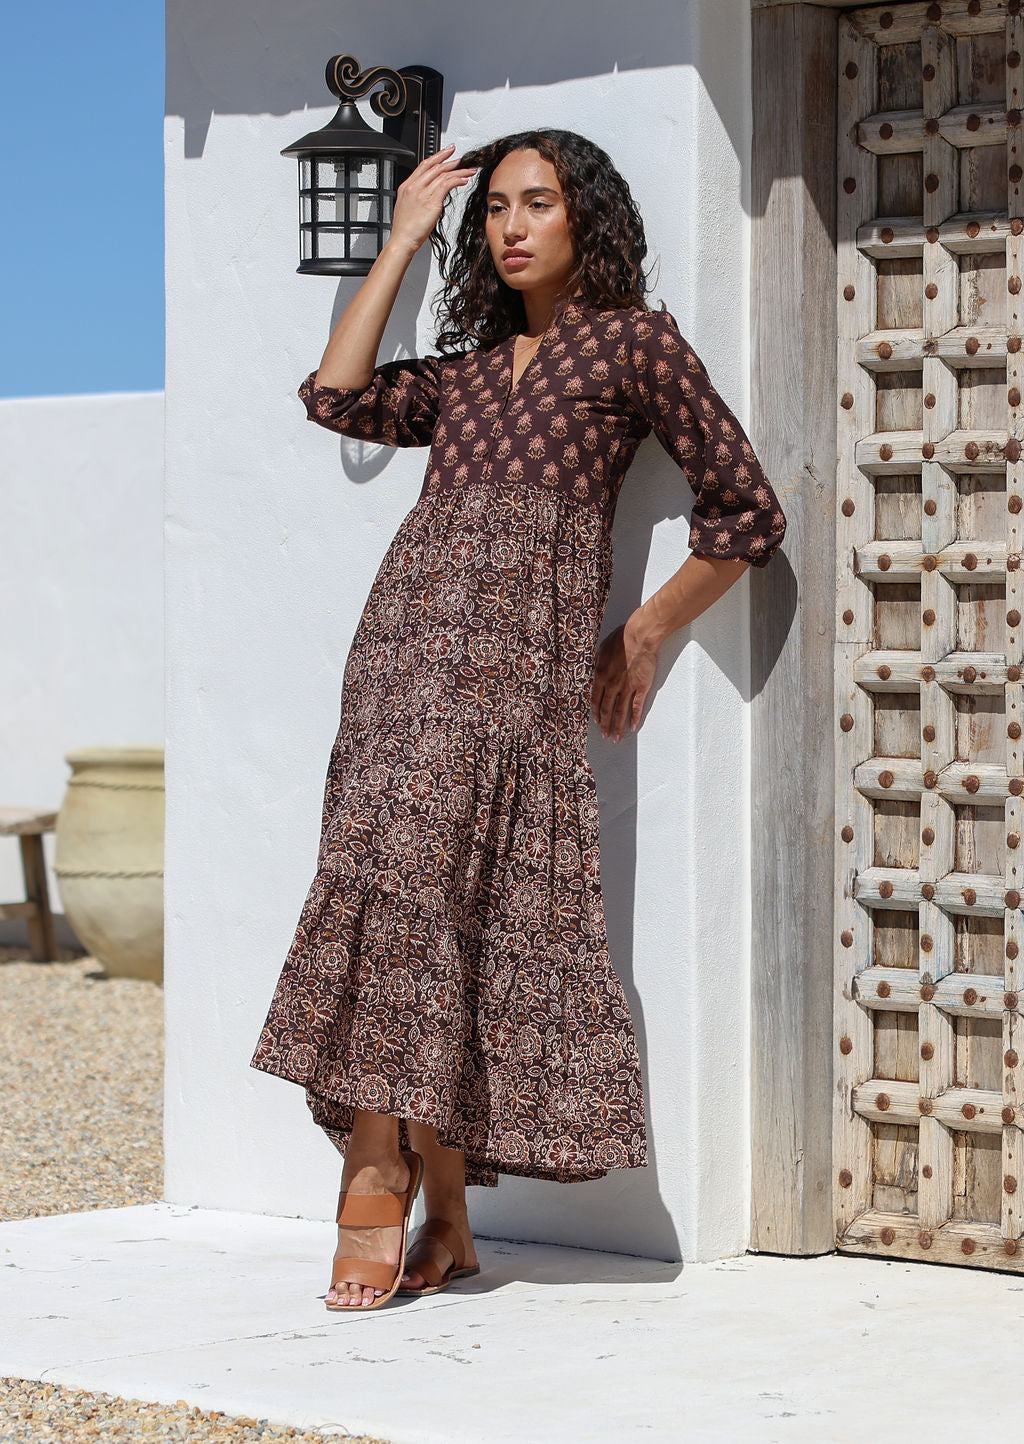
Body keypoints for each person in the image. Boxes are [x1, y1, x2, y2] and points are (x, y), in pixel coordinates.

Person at [250, 128, 786, 1312]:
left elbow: (747, 510)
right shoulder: (467, 370)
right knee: (402, 884)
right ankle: (429, 1204)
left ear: (586, 216)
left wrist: (646, 629)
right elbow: (335, 395)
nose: (510, 226)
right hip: (401, 645)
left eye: (537, 202)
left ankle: (386, 1176)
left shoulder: (636, 344)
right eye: (493, 207)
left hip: (514, 667)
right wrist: (402, 237)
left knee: (454, 898)